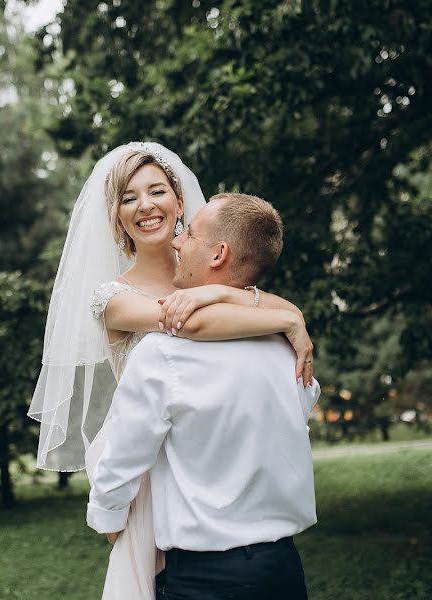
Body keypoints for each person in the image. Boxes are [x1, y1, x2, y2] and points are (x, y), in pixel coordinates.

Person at [28, 142, 314, 599]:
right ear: (116, 216)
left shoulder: (210, 272)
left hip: (219, 457)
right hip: (150, 475)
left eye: (156, 190)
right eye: (127, 197)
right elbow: (187, 324)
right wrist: (281, 315)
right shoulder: (114, 297)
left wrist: (238, 299)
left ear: (180, 202)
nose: (144, 205)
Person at [87, 193, 320, 599]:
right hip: (284, 571)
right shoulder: (290, 351)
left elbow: (124, 458)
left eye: (190, 234)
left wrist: (110, 520)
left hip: (205, 580)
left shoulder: (162, 353)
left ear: (219, 254)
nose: (178, 241)